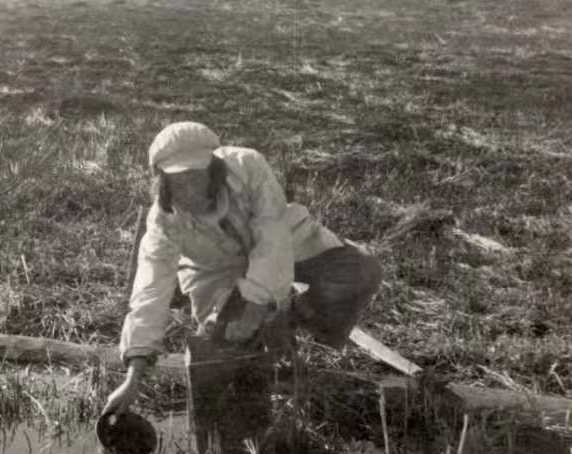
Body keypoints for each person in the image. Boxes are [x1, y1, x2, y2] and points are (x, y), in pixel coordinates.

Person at [102, 122, 382, 417]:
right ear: (162, 183)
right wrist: (134, 375)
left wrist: (259, 308)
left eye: (197, 177)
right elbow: (150, 292)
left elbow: (271, 237)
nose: (190, 191)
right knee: (220, 353)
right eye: (178, 182)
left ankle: (288, 322)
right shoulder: (163, 223)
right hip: (217, 273)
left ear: (214, 169)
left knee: (361, 271)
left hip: (284, 242)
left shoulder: (248, 166)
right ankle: (257, 379)